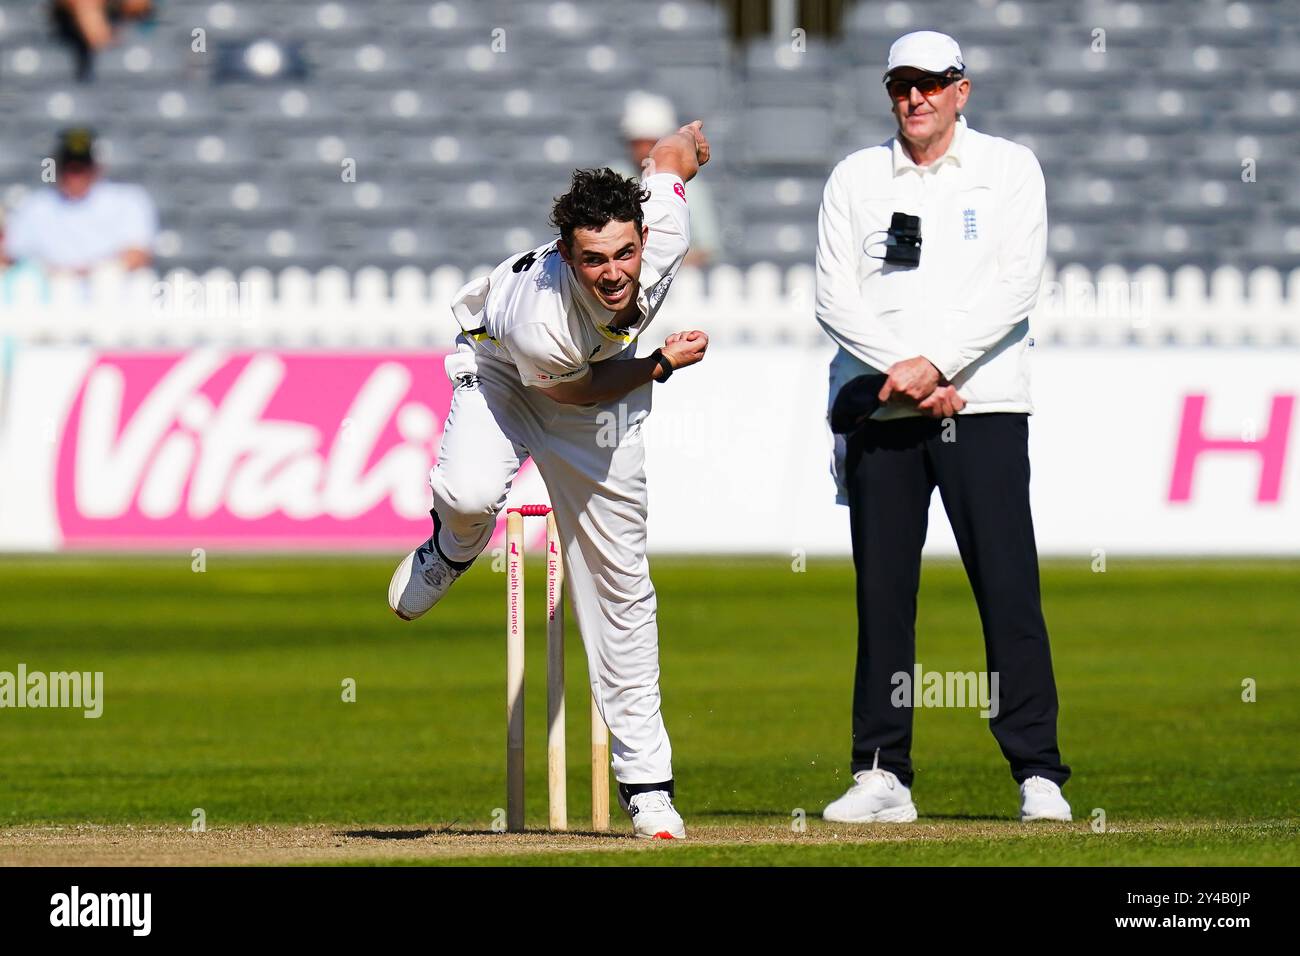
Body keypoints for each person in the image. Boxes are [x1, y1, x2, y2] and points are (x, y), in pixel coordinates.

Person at [387, 122, 713, 840]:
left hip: (595, 394)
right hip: (513, 372)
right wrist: (657, 366)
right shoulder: (543, 314)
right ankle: (452, 547)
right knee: (470, 493)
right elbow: (575, 390)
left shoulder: (662, 229)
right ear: (568, 254)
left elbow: (666, 161)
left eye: (625, 252)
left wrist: (687, 144)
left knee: (618, 579)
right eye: (594, 259)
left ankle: (648, 788)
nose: (615, 272)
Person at [816, 31, 1072, 824]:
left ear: (962, 88)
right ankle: (882, 772)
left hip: (984, 405)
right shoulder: (856, 176)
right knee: (883, 594)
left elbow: (1015, 285)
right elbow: (835, 297)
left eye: (932, 83)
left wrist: (940, 367)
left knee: (1007, 586)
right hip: (882, 409)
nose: (915, 98)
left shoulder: (1008, 168)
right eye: (901, 85)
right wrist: (911, 374)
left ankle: (1038, 772)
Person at [3, 127, 157, 274]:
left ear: (96, 168)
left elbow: (138, 255)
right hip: (48, 294)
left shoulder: (127, 201)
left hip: (110, 293)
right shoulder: (35, 206)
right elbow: (10, 256)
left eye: (81, 168)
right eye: (68, 167)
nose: (74, 176)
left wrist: (84, 274)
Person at [613, 92, 721, 267]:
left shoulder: (692, 186)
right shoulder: (612, 176)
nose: (644, 150)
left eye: (651, 142)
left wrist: (663, 264)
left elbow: (707, 248)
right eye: (637, 143)